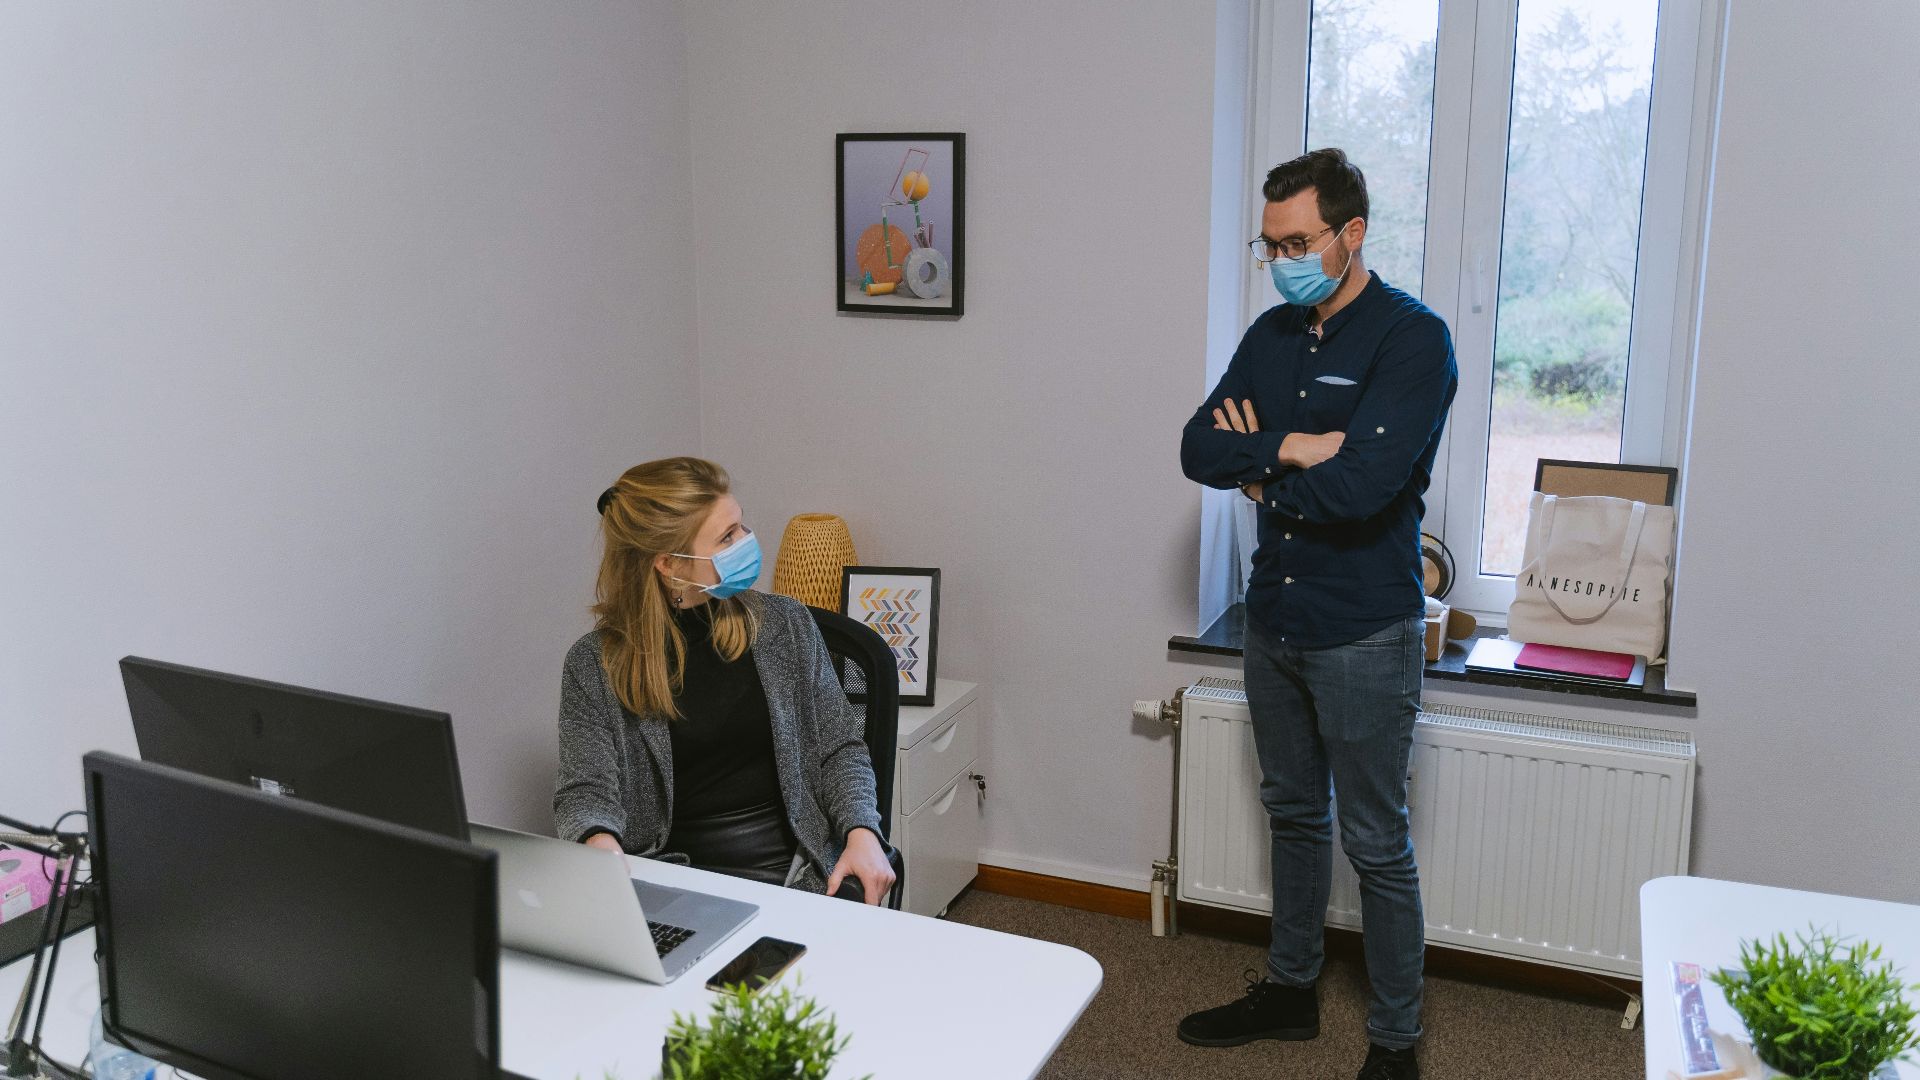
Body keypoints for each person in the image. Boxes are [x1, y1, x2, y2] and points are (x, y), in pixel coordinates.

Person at [1176, 148, 1458, 1080]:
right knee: (1293, 815)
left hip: (1367, 632)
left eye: (1299, 241)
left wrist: (1255, 472)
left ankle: (1396, 1042)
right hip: (1275, 620)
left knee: (1377, 841)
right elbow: (1193, 446)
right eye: (1272, 245)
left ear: (1351, 233)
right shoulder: (1271, 333)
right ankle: (1291, 991)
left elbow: (1367, 489)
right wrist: (1292, 446)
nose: (1286, 257)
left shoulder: (1413, 340)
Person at [552, 456, 896, 904]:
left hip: (796, 872)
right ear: (669, 565)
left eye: (741, 526)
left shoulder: (784, 625)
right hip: (674, 881)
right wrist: (598, 843)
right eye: (727, 537)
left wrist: (862, 831)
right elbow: (585, 791)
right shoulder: (594, 666)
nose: (747, 542)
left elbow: (839, 749)